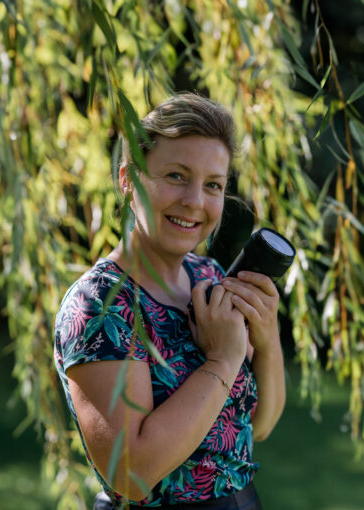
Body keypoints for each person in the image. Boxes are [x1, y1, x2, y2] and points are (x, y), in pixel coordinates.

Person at [53, 93, 286, 509]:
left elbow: (258, 426)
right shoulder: (101, 306)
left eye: (213, 185)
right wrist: (221, 362)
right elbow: (131, 475)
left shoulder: (210, 277)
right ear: (129, 179)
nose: (195, 201)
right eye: (177, 176)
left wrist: (267, 341)